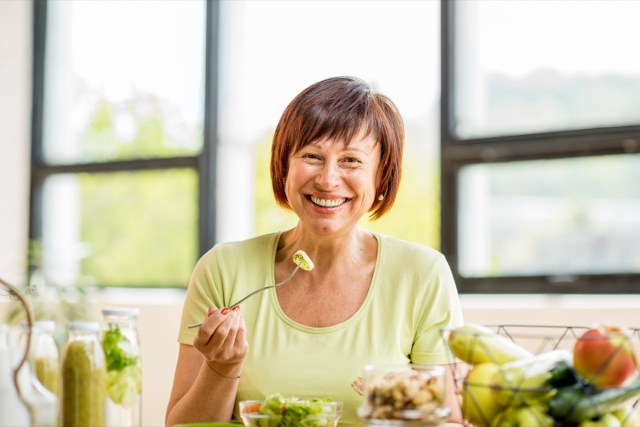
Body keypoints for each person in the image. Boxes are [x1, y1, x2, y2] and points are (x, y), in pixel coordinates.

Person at [165, 76, 464, 426]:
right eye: (311, 156)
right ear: (284, 167)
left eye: (351, 160)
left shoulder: (422, 274)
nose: (327, 179)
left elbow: (445, 421)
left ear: (381, 176)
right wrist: (221, 368)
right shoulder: (224, 269)